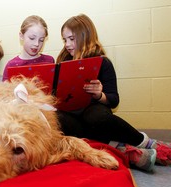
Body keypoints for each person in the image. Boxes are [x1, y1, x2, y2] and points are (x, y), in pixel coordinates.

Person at [55, 14, 171, 172]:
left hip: (94, 112)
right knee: (57, 120)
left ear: (85, 37)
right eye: (64, 40)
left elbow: (114, 100)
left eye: (71, 39)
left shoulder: (103, 62)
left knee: (94, 118)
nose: (67, 44)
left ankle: (143, 143)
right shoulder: (62, 63)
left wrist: (99, 95)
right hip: (72, 116)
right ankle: (121, 148)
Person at [2, 15, 55, 81]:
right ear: (21, 36)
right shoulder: (11, 65)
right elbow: (5, 90)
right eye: (32, 38)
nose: (37, 44)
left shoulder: (49, 61)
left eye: (41, 40)